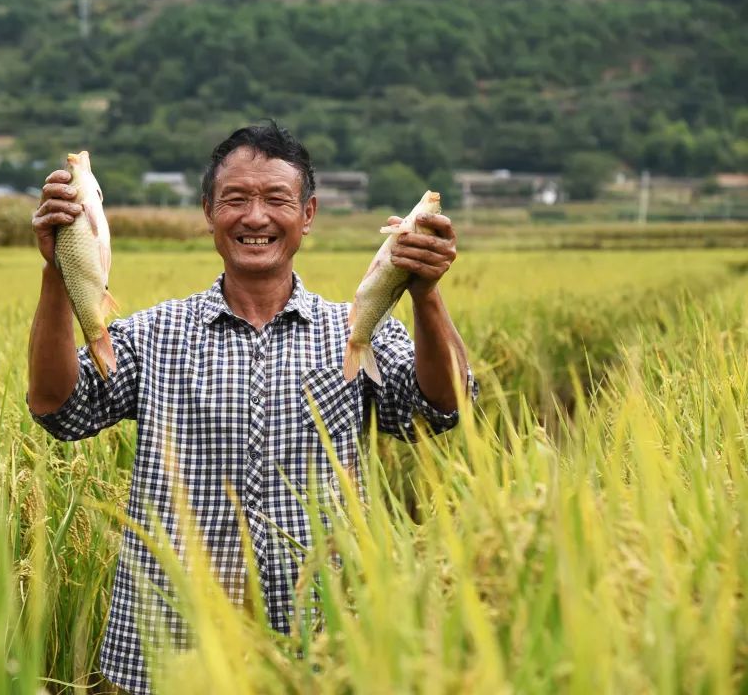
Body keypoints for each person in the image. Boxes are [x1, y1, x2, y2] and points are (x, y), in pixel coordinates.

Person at [27, 122, 474, 694]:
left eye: (276, 200)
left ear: (307, 215)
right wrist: (57, 269)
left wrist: (425, 292)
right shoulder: (154, 334)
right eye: (235, 199)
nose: (255, 217)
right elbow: (57, 408)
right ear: (209, 212)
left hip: (323, 639)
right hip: (174, 642)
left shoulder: (357, 334)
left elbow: (441, 409)